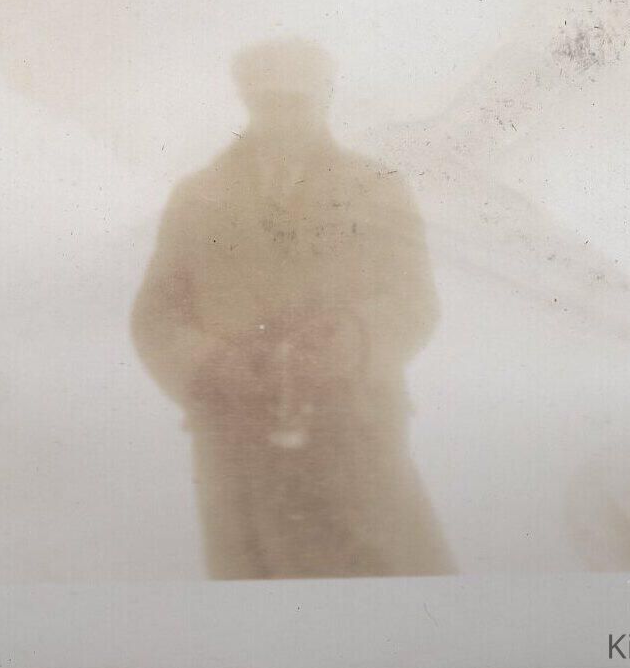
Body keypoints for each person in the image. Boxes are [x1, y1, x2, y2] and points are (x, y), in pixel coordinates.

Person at [131, 39, 454, 579]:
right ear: (246, 101)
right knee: (260, 613)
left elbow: (414, 299)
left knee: (383, 606)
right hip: (237, 448)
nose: (283, 116)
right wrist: (210, 362)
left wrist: (354, 340)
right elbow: (155, 317)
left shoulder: (376, 189)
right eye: (269, 101)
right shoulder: (197, 198)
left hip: (356, 441)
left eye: (297, 101)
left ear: (325, 99)